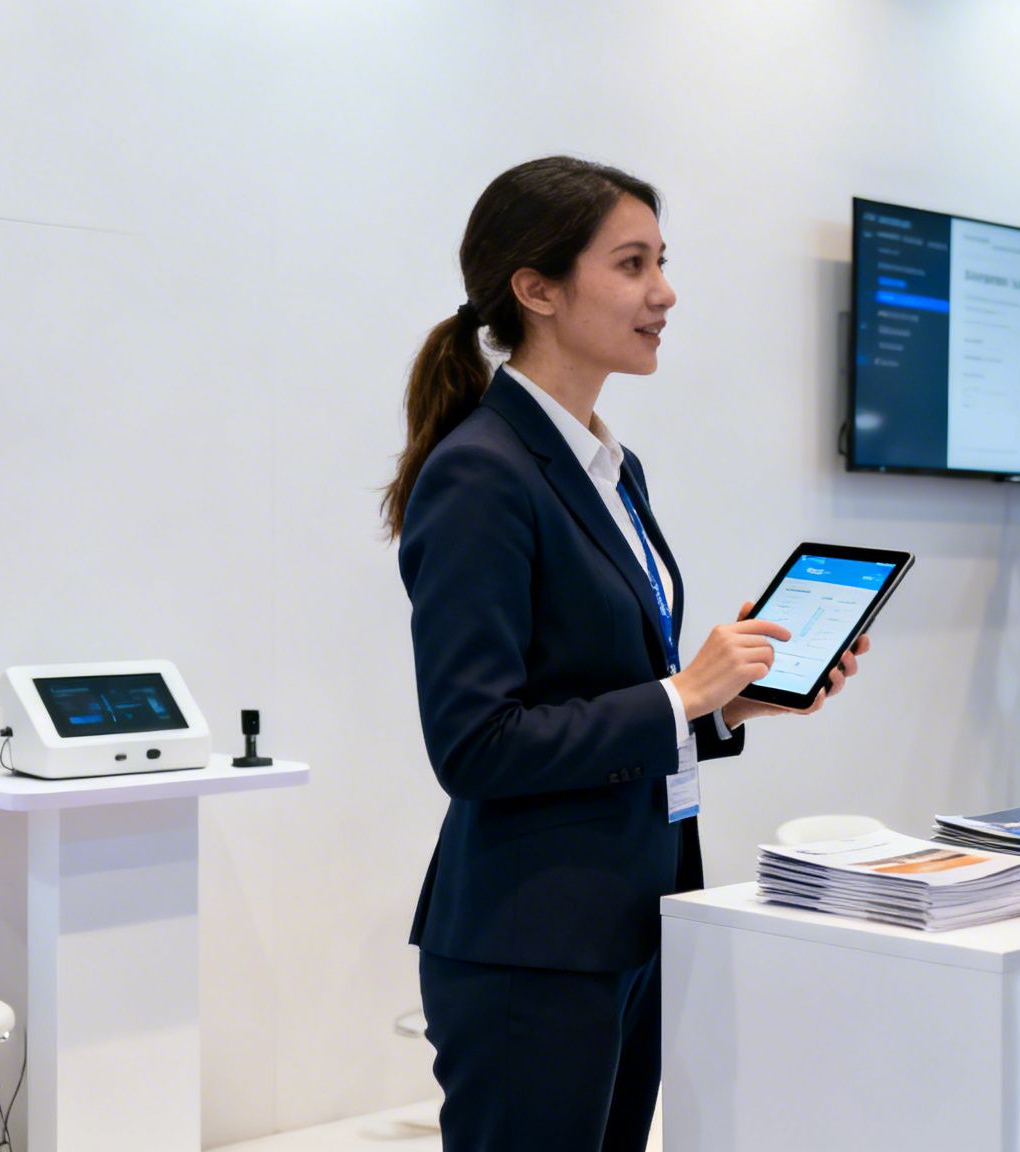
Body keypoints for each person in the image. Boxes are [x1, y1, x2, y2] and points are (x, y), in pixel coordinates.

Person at [381, 156, 864, 1152]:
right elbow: (474, 743)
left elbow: (603, 690)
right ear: (537, 289)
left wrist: (724, 705)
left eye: (662, 261)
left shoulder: (607, 462)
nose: (664, 292)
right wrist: (681, 690)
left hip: (633, 913)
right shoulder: (480, 473)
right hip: (532, 941)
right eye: (632, 264)